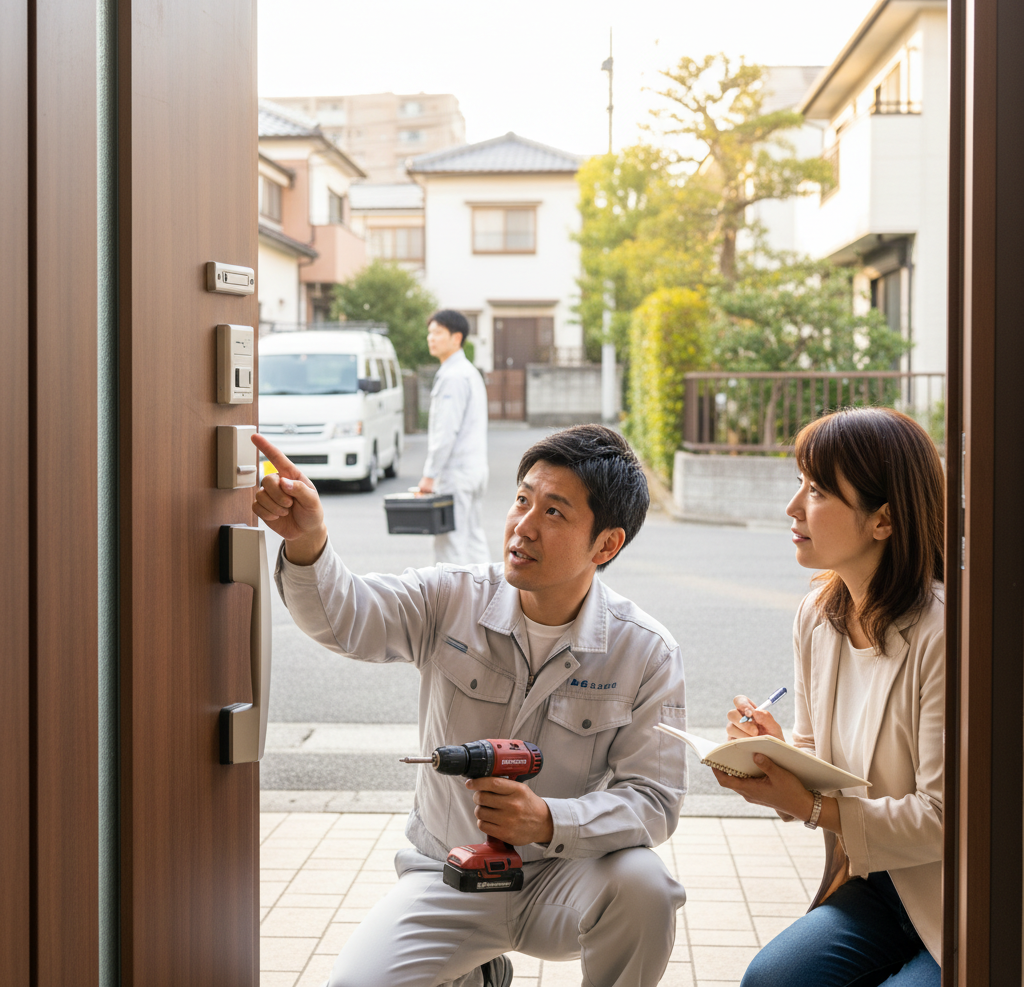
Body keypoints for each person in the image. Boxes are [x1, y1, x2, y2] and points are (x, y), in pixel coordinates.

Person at [251, 424, 688, 987]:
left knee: (646, 887)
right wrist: (307, 541)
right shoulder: (450, 596)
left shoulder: (645, 651)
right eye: (523, 499)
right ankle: (478, 976)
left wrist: (550, 820)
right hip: (447, 874)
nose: (522, 527)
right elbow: (348, 619)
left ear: (606, 544)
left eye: (554, 513)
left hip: (563, 875)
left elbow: (654, 799)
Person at [715, 407, 944, 987]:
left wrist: (809, 805)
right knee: (769, 980)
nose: (793, 508)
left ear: (883, 521)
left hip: (959, 897)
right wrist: (774, 752)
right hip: (878, 884)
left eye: (816, 491)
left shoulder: (946, 632)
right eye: (800, 484)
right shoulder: (821, 615)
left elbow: (946, 819)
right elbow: (821, 755)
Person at [417, 309, 490, 565]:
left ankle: (455, 603)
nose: (431, 338)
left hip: (456, 472)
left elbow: (445, 431)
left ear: (456, 338)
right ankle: (488, 598)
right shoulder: (468, 372)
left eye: (438, 333)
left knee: (450, 543)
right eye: (430, 333)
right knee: (472, 537)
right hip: (474, 469)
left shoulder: (453, 376)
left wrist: (430, 474)